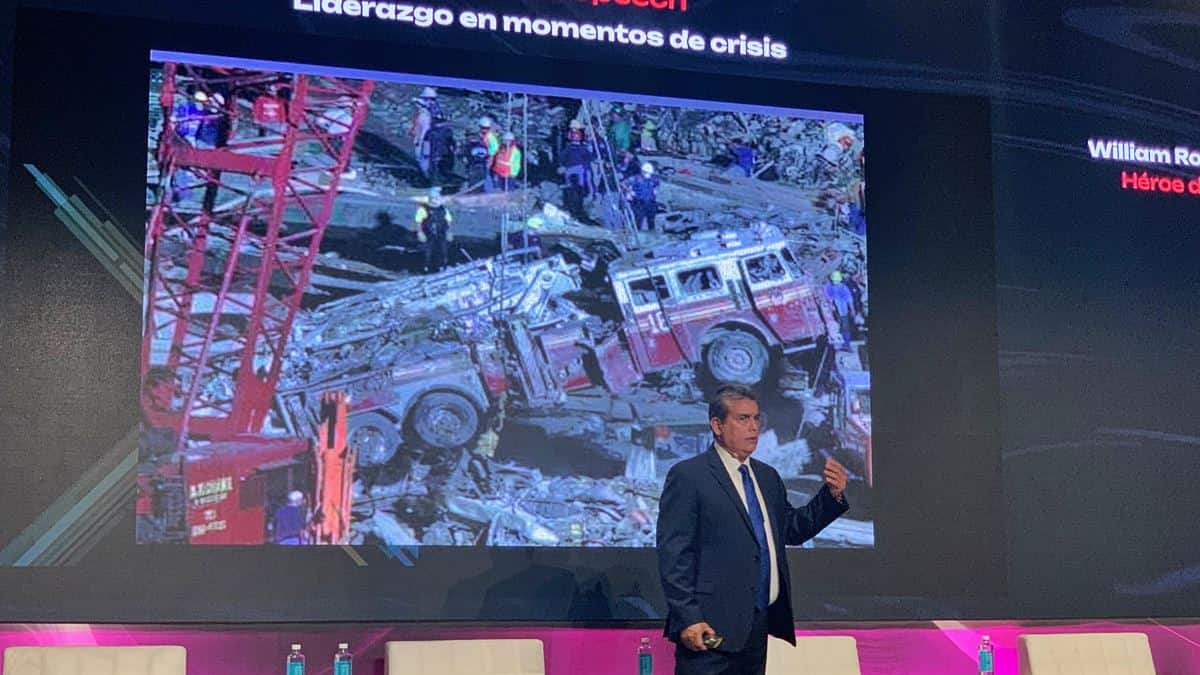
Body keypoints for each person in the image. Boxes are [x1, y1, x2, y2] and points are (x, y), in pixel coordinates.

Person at [657, 385, 849, 675]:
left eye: (757, 419)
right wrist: (688, 617)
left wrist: (831, 496)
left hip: (755, 628)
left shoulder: (766, 476)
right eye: (743, 419)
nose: (754, 428)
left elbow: (792, 530)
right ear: (717, 426)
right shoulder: (689, 476)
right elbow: (674, 553)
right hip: (708, 629)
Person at [415, 187, 454, 272]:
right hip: (428, 233)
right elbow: (418, 221)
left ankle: (443, 265)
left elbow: (448, 220)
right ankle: (425, 266)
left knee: (443, 249)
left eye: (437, 198)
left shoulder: (443, 209)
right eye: (433, 198)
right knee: (427, 250)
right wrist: (420, 232)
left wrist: (449, 232)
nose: (435, 200)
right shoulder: (424, 209)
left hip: (441, 233)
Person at [824, 270, 855, 350]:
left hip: (836, 313)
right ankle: (845, 344)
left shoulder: (828, 287)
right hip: (840, 312)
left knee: (840, 328)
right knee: (844, 328)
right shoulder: (842, 287)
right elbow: (849, 300)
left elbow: (827, 299)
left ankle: (843, 344)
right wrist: (852, 310)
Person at [626, 162, 660, 232]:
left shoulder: (654, 179)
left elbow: (657, 185)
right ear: (642, 171)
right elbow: (624, 183)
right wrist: (630, 191)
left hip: (650, 203)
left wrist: (655, 191)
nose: (647, 174)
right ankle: (637, 233)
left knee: (651, 221)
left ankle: (651, 234)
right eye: (645, 172)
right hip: (639, 203)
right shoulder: (635, 178)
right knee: (638, 220)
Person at [469, 117, 501, 192]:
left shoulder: (490, 136)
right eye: (482, 128)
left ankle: (490, 190)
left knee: (488, 173)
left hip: (489, 157)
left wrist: (489, 155)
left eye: (486, 128)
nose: (484, 130)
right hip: (480, 157)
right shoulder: (480, 135)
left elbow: (495, 147)